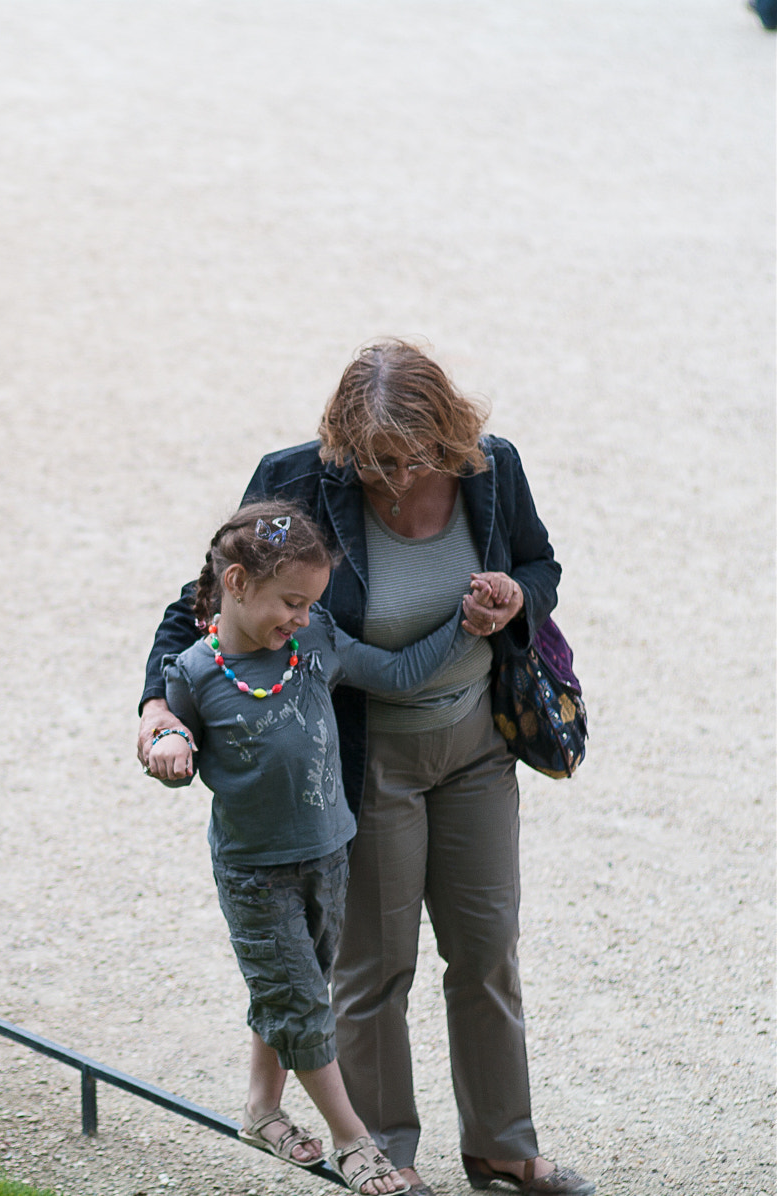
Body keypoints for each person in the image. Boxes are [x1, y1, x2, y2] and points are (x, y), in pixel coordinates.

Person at [137, 341, 593, 1196]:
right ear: (344, 439)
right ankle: (386, 1156)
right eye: (379, 459)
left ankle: (502, 1145)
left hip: (477, 746)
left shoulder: (491, 469)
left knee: (488, 951)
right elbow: (203, 602)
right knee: (375, 966)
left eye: (417, 456)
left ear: (451, 434)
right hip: (367, 756)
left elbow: (541, 564)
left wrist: (517, 595)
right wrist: (156, 706)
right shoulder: (299, 480)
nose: (397, 476)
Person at [158, 500, 475, 1195]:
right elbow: (167, 734)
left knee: (290, 993)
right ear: (237, 584)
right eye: (290, 602)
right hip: (255, 873)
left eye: (310, 604)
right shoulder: (194, 671)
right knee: (301, 1001)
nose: (301, 616)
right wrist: (168, 744)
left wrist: (465, 627)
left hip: (331, 855)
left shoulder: (315, 643)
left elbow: (394, 673)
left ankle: (262, 1109)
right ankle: (353, 1138)